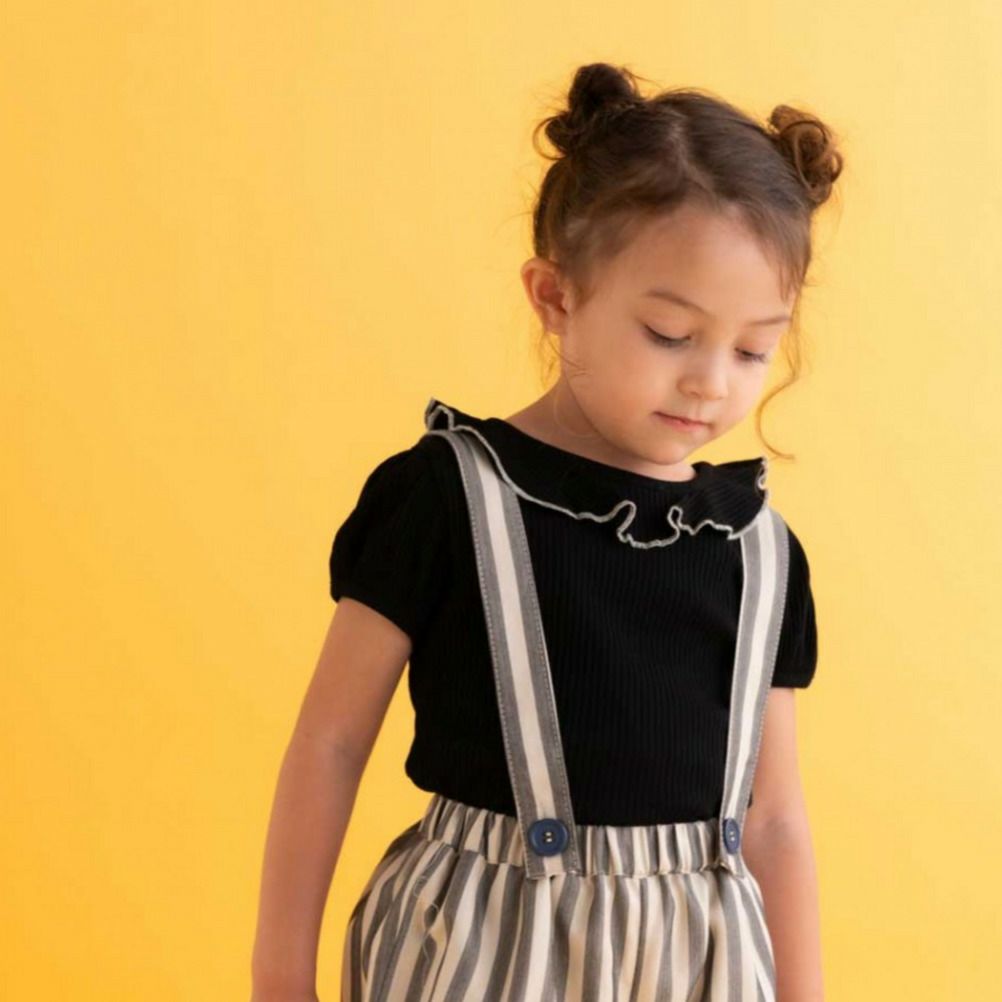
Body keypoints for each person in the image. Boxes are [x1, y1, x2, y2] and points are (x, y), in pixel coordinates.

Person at [251, 62, 842, 1002]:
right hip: (478, 950)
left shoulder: (761, 552)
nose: (710, 382)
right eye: (669, 333)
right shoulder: (446, 498)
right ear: (556, 296)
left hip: (707, 962)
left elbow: (773, 820)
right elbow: (329, 743)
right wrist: (280, 975)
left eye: (752, 348)